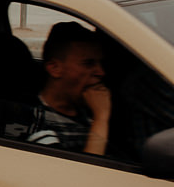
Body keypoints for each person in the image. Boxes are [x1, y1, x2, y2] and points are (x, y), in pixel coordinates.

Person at [25, 21, 111, 155]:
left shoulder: (85, 112)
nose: (100, 72)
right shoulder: (40, 127)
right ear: (55, 69)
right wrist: (101, 118)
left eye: (101, 63)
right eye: (88, 64)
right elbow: (86, 174)